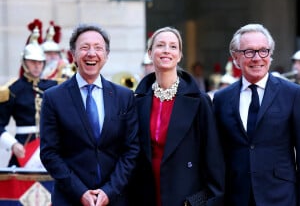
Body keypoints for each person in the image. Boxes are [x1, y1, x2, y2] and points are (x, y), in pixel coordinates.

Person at [40, 23, 139, 206]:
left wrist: (109, 191)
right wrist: (81, 192)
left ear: (106, 56)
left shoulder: (124, 97)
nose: (91, 53)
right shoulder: (53, 98)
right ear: (73, 55)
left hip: (115, 199)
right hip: (70, 199)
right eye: (84, 47)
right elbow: (49, 153)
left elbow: (131, 150)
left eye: (98, 48)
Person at [129, 26, 225, 206]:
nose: (166, 50)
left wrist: (210, 201)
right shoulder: (137, 101)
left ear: (180, 55)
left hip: (186, 198)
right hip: (146, 195)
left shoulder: (200, 101)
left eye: (173, 46)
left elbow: (213, 158)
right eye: (160, 45)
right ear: (150, 53)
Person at [213, 23, 300, 206]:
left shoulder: (292, 94)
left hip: (282, 197)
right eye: (249, 52)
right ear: (236, 58)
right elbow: (217, 153)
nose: (257, 58)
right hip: (236, 197)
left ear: (270, 55)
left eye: (263, 51)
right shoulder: (221, 98)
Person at [0, 24, 57, 167]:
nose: (37, 66)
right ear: (24, 62)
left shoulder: (53, 87)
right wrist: (12, 144)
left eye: (40, 62)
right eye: (33, 62)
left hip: (51, 146)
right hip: (24, 147)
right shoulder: (12, 89)